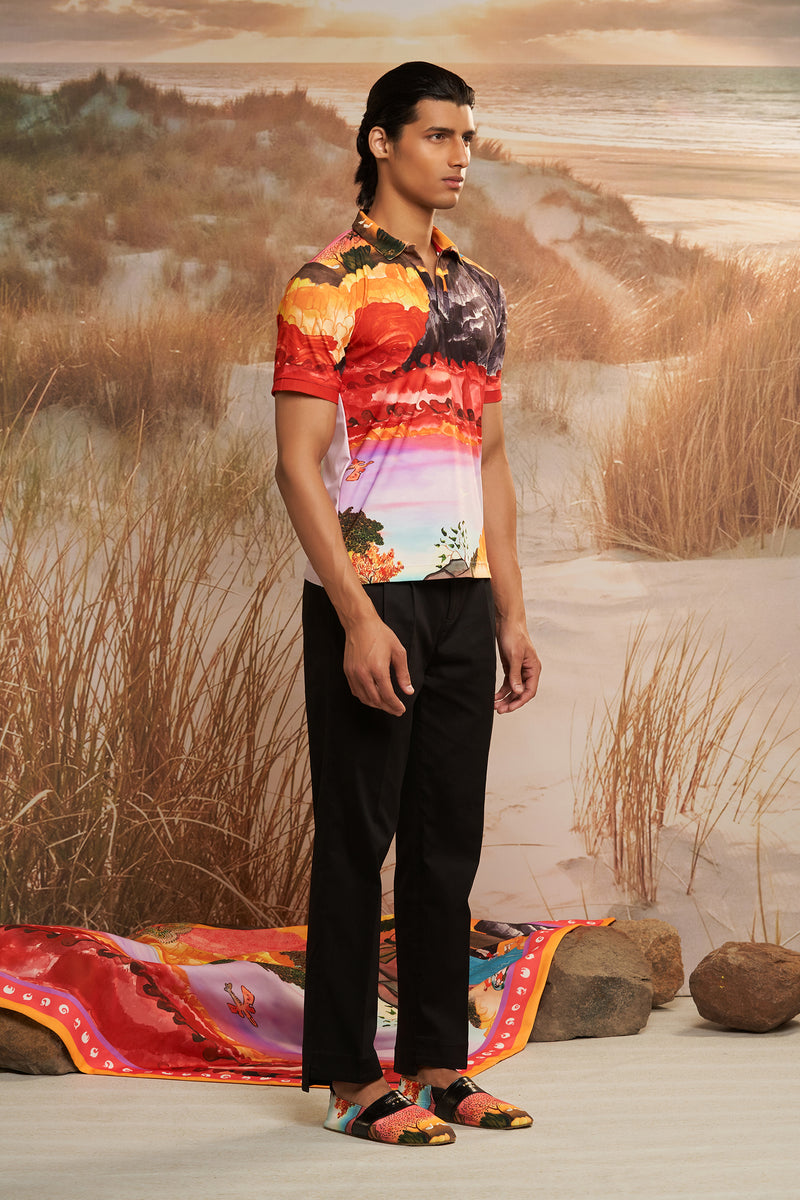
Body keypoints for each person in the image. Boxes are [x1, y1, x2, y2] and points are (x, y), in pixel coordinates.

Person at [272, 61, 541, 1146]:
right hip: (370, 596)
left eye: (467, 137)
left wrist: (510, 611)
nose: (459, 156)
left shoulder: (479, 290)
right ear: (380, 142)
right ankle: (349, 1080)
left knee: (445, 844)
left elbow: (492, 459)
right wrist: (355, 616)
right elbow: (296, 464)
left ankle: (436, 1063)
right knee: (356, 840)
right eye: (437, 135)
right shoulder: (325, 282)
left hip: (463, 596)